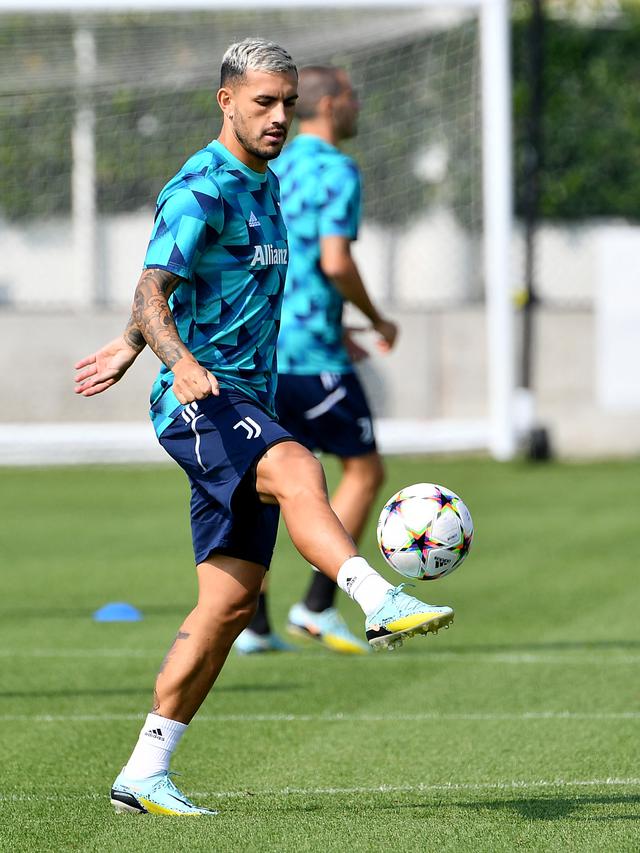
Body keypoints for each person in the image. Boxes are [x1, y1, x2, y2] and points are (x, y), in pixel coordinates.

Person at [74, 38, 454, 817]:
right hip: (201, 401)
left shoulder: (267, 184)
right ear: (226, 101)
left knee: (228, 604)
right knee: (299, 467)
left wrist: (130, 341)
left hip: (248, 397)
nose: (280, 116)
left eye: (287, 102)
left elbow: (182, 288)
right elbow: (152, 286)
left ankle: (143, 773)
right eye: (263, 103)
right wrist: (172, 357)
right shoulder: (203, 186)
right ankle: (374, 598)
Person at [235, 65, 397, 657]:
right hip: (312, 357)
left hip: (262, 347)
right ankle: (319, 604)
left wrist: (336, 323)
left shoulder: (271, 164)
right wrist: (377, 319)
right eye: (352, 96)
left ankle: (253, 624)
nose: (358, 105)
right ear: (330, 105)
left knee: (265, 482)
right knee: (364, 471)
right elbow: (333, 262)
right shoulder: (336, 170)